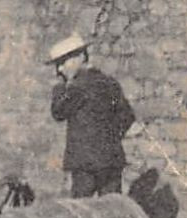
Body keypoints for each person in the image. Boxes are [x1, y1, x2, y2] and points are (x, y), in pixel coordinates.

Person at [48, 34, 137, 197]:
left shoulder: (76, 88)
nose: (59, 70)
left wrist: (61, 87)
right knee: (112, 208)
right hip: (111, 159)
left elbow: (58, 112)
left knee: (82, 213)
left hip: (84, 164)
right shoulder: (109, 83)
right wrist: (110, 138)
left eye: (62, 63)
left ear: (80, 58)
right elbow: (127, 116)